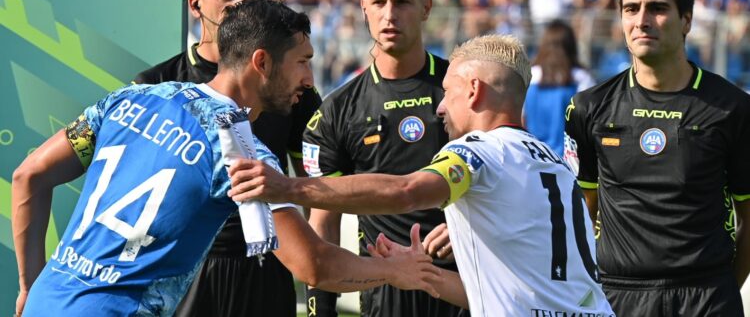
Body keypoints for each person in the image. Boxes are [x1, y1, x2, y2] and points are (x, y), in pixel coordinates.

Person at [11, 0, 440, 317]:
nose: (309, 81)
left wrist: (30, 285)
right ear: (262, 62)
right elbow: (314, 264)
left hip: (47, 301)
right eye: (302, 62)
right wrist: (394, 272)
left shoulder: (131, 98)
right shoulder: (240, 149)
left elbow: (29, 176)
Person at [226, 34, 615, 317]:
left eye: (448, 91)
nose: (441, 107)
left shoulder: (479, 151)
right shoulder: (552, 163)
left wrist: (288, 187)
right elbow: (505, 294)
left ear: (474, 90)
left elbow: (407, 190)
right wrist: (417, 275)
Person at [133, 0, 321, 316]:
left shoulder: (289, 86)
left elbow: (315, 185)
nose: (240, 3)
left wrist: (313, 272)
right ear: (195, 4)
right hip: (183, 270)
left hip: (267, 267)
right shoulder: (156, 84)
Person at [563, 0, 750, 316]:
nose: (642, 20)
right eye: (631, 9)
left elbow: (749, 217)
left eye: (658, 8)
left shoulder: (733, 108)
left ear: (687, 21)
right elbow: (582, 211)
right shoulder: (588, 107)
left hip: (707, 296)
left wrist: (723, 289)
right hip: (619, 296)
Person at [301, 0, 466, 317]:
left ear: (426, 8)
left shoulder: (465, 90)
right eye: (379, 2)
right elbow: (324, 221)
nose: (389, 14)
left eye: (402, 1)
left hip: (466, 282)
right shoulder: (336, 111)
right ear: (363, 8)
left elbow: (504, 178)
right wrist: (319, 310)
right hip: (385, 292)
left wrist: (469, 230)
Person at [524, 19, 595, 156]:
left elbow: (522, 120)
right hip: (569, 162)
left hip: (533, 158)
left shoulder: (529, 76)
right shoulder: (581, 78)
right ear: (571, 46)